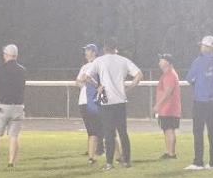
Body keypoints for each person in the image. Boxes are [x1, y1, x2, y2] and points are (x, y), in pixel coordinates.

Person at [82, 38, 143, 170]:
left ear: (104, 49)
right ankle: (127, 161)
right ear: (116, 49)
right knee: (123, 133)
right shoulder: (123, 60)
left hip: (106, 101)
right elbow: (139, 74)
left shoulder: (99, 60)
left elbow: (86, 77)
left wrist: (98, 85)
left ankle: (109, 163)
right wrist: (130, 87)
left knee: (109, 134)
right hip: (120, 101)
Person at [185, 35, 213, 170]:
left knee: (198, 131)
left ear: (206, 47)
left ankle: (198, 162)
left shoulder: (199, 61)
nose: (200, 47)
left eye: (202, 45)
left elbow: (189, 78)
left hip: (201, 101)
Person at [0, 44, 26, 167]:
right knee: (14, 136)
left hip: (2, 106)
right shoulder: (22, 70)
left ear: (5, 55)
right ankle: (11, 162)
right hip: (18, 107)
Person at [75, 44, 103, 163]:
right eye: (85, 50)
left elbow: (87, 79)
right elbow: (78, 81)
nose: (85, 53)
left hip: (94, 101)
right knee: (92, 130)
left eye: (88, 50)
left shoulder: (98, 65)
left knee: (97, 129)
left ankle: (96, 152)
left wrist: (90, 83)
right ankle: (93, 153)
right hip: (84, 102)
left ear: (94, 52)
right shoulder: (85, 66)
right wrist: (88, 85)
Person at [153, 53, 181, 160]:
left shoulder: (170, 74)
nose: (159, 61)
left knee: (169, 129)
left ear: (168, 62)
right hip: (165, 109)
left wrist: (158, 105)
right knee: (167, 129)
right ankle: (169, 152)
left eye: (162, 59)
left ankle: (172, 154)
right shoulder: (166, 74)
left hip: (169, 108)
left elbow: (168, 92)